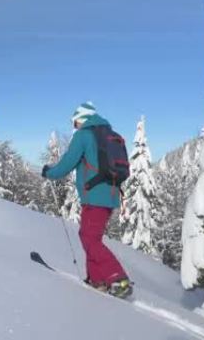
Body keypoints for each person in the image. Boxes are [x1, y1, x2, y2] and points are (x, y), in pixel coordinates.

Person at [42, 102, 132, 298]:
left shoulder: (84, 134)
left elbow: (67, 163)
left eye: (75, 123)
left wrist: (49, 172)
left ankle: (118, 278)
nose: (75, 127)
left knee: (89, 238)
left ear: (81, 119)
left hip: (95, 195)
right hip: (110, 195)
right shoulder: (109, 134)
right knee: (90, 237)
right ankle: (97, 280)